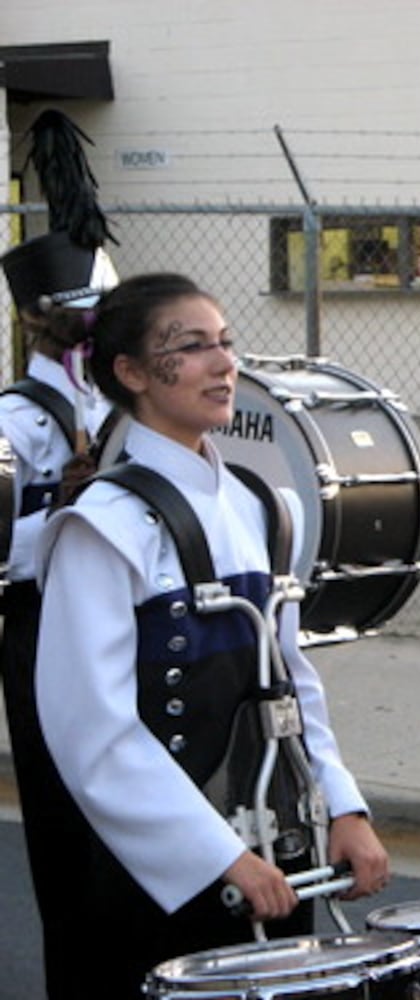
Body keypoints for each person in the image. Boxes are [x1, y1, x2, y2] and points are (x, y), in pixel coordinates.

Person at [32, 273, 390, 999]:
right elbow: (90, 730)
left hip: (272, 849)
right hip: (161, 873)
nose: (224, 363)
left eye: (225, 343)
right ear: (130, 372)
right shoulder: (102, 526)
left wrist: (342, 806)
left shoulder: (260, 506)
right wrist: (215, 856)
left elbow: (288, 681)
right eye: (191, 347)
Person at [0, 108, 119, 997]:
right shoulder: (13, 423)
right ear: (50, 329)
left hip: (113, 625)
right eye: (90, 327)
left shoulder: (118, 415)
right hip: (39, 632)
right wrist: (67, 516)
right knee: (61, 825)